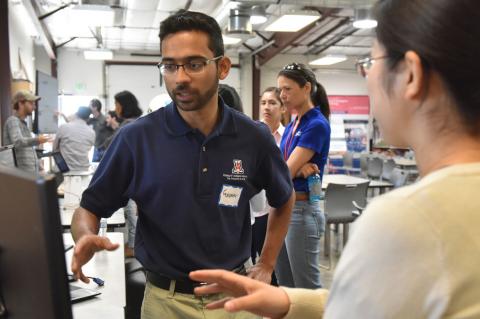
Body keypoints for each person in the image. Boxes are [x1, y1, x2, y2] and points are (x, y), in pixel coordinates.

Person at [190, 0, 480, 318]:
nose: (367, 76)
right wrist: (290, 302)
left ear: (411, 74)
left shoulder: (406, 219)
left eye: (370, 62)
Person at [70, 9, 294, 319]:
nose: (181, 78)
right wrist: (84, 236)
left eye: (194, 64)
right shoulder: (136, 139)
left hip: (235, 298)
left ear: (223, 67)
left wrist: (267, 263)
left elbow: (284, 198)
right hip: (165, 302)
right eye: (170, 66)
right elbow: (89, 208)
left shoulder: (253, 137)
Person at [274, 63, 331, 289]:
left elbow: (282, 172)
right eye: (280, 90)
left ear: (306, 88)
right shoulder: (291, 124)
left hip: (302, 211)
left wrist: (292, 169)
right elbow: (277, 167)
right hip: (284, 209)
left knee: (307, 292)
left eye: (287, 89)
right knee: (287, 290)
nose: (282, 96)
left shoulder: (316, 124)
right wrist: (296, 168)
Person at [250, 87, 286, 286]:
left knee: (274, 270)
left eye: (272, 103)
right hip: (253, 211)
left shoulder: (289, 137)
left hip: (276, 210)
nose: (267, 107)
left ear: (283, 109)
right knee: (249, 264)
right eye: (263, 103)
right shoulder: (252, 134)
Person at [112, 90, 143, 258]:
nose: (115, 108)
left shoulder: (129, 126)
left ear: (125, 106)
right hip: (136, 176)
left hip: (132, 177)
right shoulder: (137, 122)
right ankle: (132, 244)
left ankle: (132, 247)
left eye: (117, 104)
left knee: (132, 214)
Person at [2, 90, 51, 173]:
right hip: (19, 176)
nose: (34, 107)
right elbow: (17, 142)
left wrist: (38, 165)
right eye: (31, 103)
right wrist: (37, 140)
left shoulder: (24, 124)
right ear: (20, 104)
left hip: (28, 175)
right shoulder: (12, 121)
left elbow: (28, 148)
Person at [52, 106, 95, 172]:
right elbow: (87, 149)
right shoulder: (92, 132)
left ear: (76, 114)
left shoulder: (63, 127)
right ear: (88, 119)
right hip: (84, 170)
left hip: (64, 171)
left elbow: (54, 149)